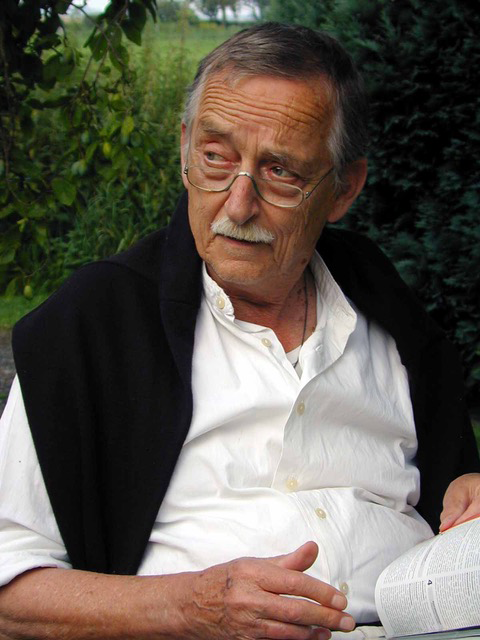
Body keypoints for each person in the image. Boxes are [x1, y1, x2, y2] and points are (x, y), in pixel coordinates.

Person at [0, 22, 479, 640]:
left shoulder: (388, 308)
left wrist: (468, 493)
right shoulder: (94, 324)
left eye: (280, 172)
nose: (237, 204)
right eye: (215, 158)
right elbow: (9, 589)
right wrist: (191, 609)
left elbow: (454, 483)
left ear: (343, 189)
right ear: (184, 149)